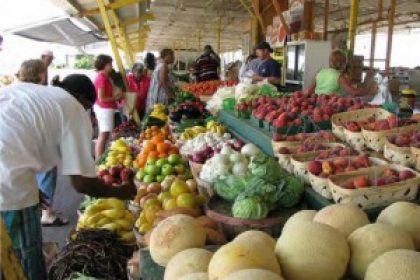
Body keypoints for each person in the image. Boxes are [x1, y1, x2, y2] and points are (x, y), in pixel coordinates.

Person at [0, 59, 136, 280]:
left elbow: (13, 137)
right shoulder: (73, 107)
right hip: (7, 186)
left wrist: (31, 186)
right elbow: (82, 182)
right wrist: (122, 192)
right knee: (23, 260)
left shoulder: (29, 92)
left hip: (9, 174)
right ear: (83, 99)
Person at [305, 50, 377, 96]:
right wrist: (370, 92)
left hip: (317, 105)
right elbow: (353, 92)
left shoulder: (320, 72)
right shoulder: (339, 76)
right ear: (342, 63)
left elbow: (308, 91)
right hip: (331, 105)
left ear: (330, 61)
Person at [93, 54, 122, 160]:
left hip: (107, 109)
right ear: (104, 65)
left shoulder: (106, 77)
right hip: (104, 109)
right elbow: (102, 98)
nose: (111, 66)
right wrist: (116, 98)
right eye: (110, 63)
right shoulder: (101, 78)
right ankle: (98, 161)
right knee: (103, 135)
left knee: (105, 135)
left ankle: (101, 158)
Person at [145, 48, 175, 113]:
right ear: (167, 56)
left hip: (155, 95)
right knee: (159, 114)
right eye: (172, 55)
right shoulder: (164, 66)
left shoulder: (159, 64)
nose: (173, 57)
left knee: (155, 114)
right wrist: (171, 95)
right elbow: (164, 83)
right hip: (160, 96)